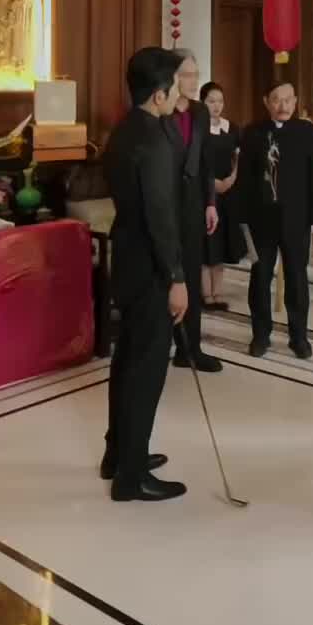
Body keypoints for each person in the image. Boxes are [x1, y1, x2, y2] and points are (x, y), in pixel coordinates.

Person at [100, 46, 188, 503]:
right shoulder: (153, 140)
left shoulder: (124, 131)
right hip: (152, 267)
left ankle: (118, 453)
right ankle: (131, 476)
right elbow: (160, 215)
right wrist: (176, 277)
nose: (179, 94)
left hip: (127, 259)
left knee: (126, 362)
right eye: (175, 87)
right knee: (147, 370)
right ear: (158, 94)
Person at [239, 78, 313, 361]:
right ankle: (260, 335)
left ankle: (299, 337)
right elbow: (244, 179)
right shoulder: (252, 132)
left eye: (288, 99)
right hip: (261, 220)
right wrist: (242, 218)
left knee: (297, 278)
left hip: (296, 219)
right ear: (266, 102)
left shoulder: (307, 132)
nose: (283, 105)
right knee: (259, 278)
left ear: (296, 101)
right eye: (276, 99)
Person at [165, 51, 222, 375]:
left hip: (193, 204)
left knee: (190, 272)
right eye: (187, 75)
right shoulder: (160, 111)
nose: (193, 81)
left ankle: (190, 349)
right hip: (164, 203)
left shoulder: (200, 112)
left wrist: (210, 202)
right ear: (172, 77)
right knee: (167, 276)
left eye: (195, 74)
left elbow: (205, 160)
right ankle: (163, 344)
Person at [200, 79, 245, 309]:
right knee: (207, 243)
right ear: (202, 103)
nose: (216, 106)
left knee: (222, 244)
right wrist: (212, 184)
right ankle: (206, 294)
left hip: (229, 193)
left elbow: (239, 158)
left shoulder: (232, 128)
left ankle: (218, 293)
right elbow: (196, 162)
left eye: (220, 101)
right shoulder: (198, 129)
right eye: (211, 101)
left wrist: (232, 179)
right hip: (205, 193)